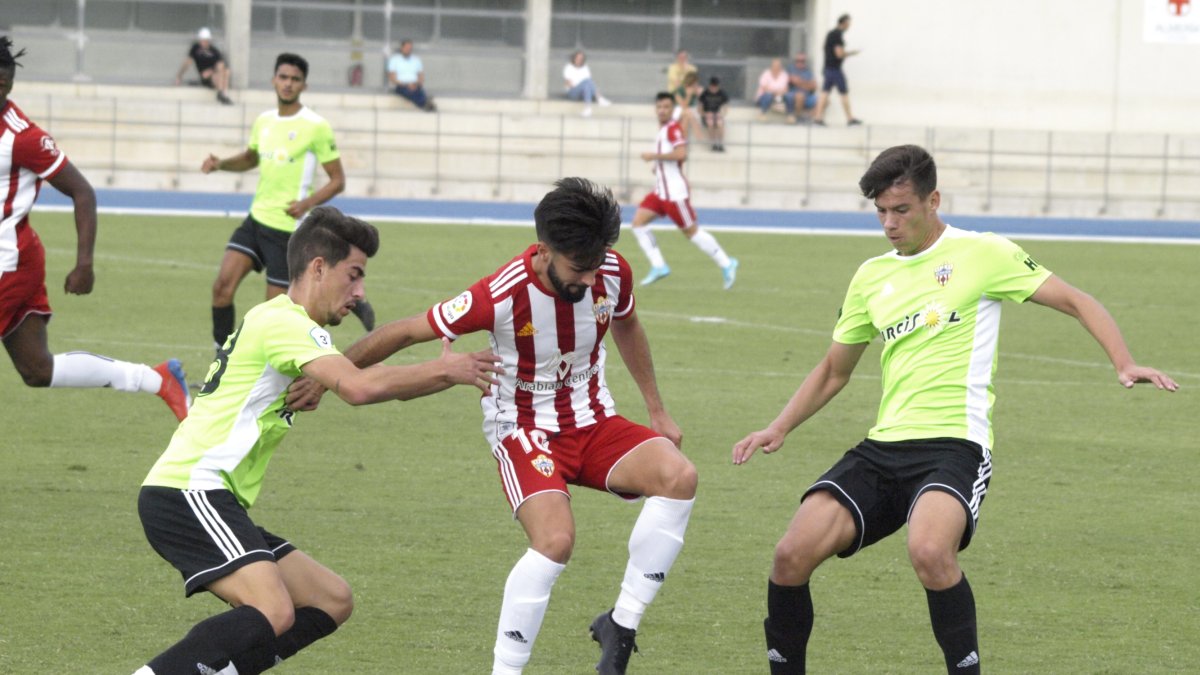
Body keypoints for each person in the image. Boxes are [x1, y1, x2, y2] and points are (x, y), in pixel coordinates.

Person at [731, 145, 1178, 674]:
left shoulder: (983, 254)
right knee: (790, 554)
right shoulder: (870, 277)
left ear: (933, 199)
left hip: (955, 446)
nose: (890, 223)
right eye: (880, 212)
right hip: (883, 447)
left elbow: (1077, 299)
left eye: (901, 210)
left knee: (929, 551)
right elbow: (834, 370)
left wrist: (1123, 362)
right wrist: (778, 426)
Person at [335, 178, 697, 675]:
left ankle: (621, 624)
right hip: (523, 429)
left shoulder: (611, 271)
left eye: (596, 267)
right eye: (578, 269)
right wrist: (326, 374)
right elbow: (404, 330)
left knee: (680, 478)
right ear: (545, 251)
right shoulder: (499, 294)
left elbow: (628, 323)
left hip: (593, 421)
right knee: (555, 541)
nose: (591, 280)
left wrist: (657, 410)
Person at [132, 206, 503, 675]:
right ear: (318, 267)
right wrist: (443, 368)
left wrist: (451, 375)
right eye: (354, 276)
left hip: (210, 495)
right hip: (188, 489)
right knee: (273, 610)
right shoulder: (286, 323)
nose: (360, 292)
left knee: (329, 599)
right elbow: (360, 387)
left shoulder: (288, 327)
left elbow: (365, 381)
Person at [0, 36, 190, 422]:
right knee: (38, 369)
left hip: (9, 263)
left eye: (5, 83)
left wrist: (84, 262)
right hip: (19, 257)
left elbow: (82, 192)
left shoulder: (23, 138)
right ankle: (157, 379)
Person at [201, 52, 376, 350]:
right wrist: (221, 164)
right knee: (221, 288)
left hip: (287, 231)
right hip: (256, 221)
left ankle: (348, 300)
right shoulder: (264, 121)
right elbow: (250, 158)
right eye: (283, 77)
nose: (288, 84)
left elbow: (338, 179)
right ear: (274, 80)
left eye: (295, 79)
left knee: (279, 316)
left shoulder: (315, 126)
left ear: (303, 85)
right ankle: (220, 357)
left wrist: (306, 204)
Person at [630, 93, 738, 290]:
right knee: (638, 223)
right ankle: (659, 266)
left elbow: (682, 154)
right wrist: (658, 165)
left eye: (666, 107)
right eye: (659, 106)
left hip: (674, 193)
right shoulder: (663, 130)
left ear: (672, 111)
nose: (662, 110)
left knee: (691, 232)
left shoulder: (673, 129)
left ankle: (727, 263)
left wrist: (653, 156)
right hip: (661, 191)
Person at [812, 14, 862, 126]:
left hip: (828, 68)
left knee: (825, 92)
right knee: (843, 93)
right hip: (834, 69)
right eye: (848, 24)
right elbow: (839, 54)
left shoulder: (831, 34)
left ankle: (818, 118)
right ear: (844, 23)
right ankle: (850, 118)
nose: (849, 26)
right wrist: (851, 53)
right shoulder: (836, 35)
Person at [174, 27, 233, 105]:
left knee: (226, 71)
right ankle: (221, 93)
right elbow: (187, 63)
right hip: (206, 77)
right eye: (202, 40)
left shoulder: (214, 51)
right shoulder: (196, 48)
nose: (204, 42)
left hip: (214, 74)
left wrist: (212, 70)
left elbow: (222, 65)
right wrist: (179, 76)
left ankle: (222, 94)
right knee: (216, 74)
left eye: (206, 40)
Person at [387, 39, 436, 112]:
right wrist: (406, 84)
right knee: (409, 91)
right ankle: (424, 102)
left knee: (416, 89)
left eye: (410, 48)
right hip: (401, 85)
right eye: (406, 48)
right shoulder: (394, 60)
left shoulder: (416, 60)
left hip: (415, 84)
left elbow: (421, 77)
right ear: (402, 48)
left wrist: (416, 84)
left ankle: (424, 102)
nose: (408, 50)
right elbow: (392, 78)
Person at [563, 50, 612, 118]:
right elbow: (569, 83)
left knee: (588, 84)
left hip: (584, 93)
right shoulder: (569, 67)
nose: (579, 60)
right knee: (587, 82)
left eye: (581, 58)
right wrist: (581, 85)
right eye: (577, 58)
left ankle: (588, 109)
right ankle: (599, 98)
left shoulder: (585, 67)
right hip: (573, 92)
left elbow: (589, 82)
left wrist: (584, 87)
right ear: (574, 58)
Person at [755, 58, 796, 123]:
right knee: (768, 95)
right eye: (775, 66)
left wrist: (778, 93)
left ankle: (790, 116)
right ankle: (762, 114)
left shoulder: (784, 74)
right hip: (765, 97)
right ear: (771, 66)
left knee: (790, 95)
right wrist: (775, 92)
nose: (777, 67)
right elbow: (764, 88)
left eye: (778, 66)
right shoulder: (766, 74)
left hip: (779, 96)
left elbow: (786, 88)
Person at [697, 76, 729, 152]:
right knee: (710, 123)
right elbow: (699, 108)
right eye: (712, 87)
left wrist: (722, 114)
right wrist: (704, 114)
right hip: (707, 115)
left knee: (720, 123)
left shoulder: (722, 93)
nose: (714, 89)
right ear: (709, 86)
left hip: (717, 115)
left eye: (715, 87)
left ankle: (720, 143)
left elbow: (726, 107)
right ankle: (713, 144)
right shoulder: (705, 94)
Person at [785, 52, 818, 123]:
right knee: (800, 96)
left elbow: (814, 86)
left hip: (808, 95)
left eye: (802, 61)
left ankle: (807, 116)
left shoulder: (808, 71)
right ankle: (798, 117)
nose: (800, 62)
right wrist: (807, 84)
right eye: (798, 61)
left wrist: (800, 82)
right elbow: (792, 80)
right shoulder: (791, 69)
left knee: (824, 100)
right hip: (794, 94)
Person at [671, 70, 702, 137]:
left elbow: (701, 109)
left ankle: (682, 139)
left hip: (690, 111)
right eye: (695, 83)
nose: (697, 84)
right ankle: (697, 130)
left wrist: (700, 97)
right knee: (687, 112)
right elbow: (683, 106)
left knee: (686, 117)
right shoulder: (679, 90)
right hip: (679, 110)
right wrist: (688, 96)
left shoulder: (696, 90)